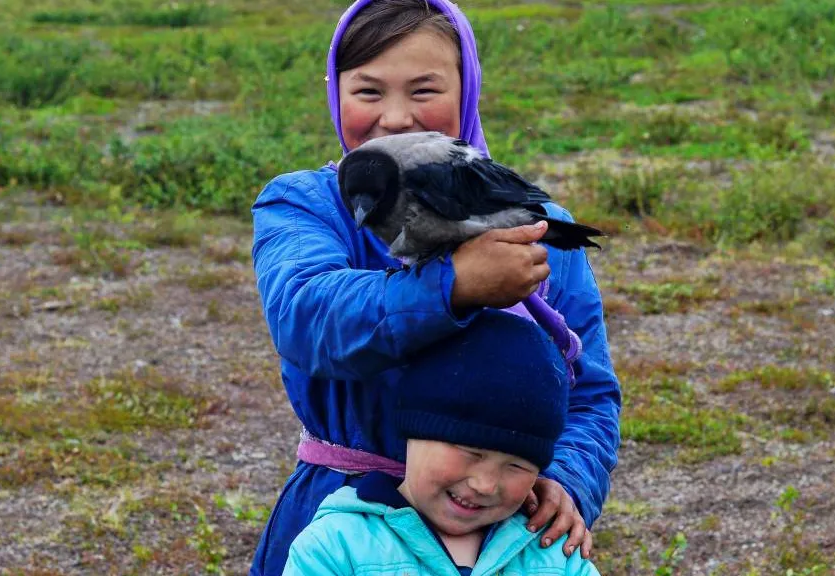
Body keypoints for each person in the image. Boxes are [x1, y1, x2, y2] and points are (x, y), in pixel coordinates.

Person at [250, 1, 621, 574]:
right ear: (334, 91)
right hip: (343, 526)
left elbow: (589, 392)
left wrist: (566, 480)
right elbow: (307, 318)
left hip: (502, 535)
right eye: (368, 92)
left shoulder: (533, 223)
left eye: (425, 90)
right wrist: (453, 286)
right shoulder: (306, 205)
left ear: (468, 89)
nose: (397, 118)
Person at [282, 310, 601, 576]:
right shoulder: (335, 547)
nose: (485, 485)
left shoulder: (556, 557)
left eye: (517, 465)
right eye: (472, 452)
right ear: (413, 432)